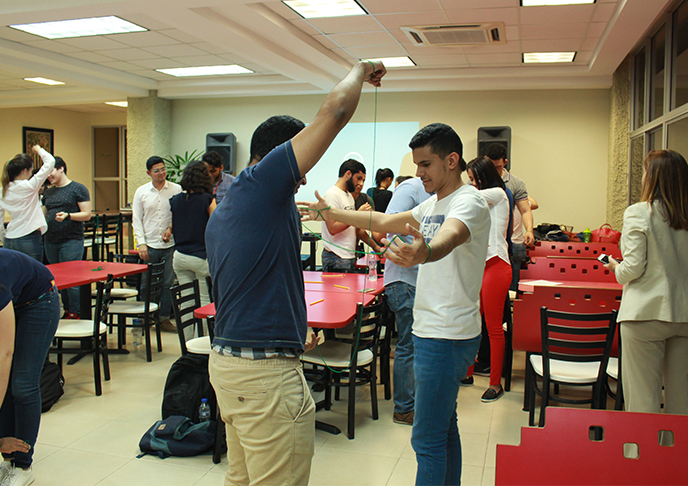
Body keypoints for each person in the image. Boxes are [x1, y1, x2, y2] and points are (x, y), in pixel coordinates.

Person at [205, 60, 386, 486]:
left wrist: (293, 325)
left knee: (242, 479)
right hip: (264, 375)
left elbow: (255, 282)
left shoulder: (232, 205)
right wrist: (360, 70)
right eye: (301, 162)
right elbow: (334, 113)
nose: (303, 177)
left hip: (230, 365)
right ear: (282, 153)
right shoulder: (262, 184)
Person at [300, 122, 491, 486]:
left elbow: (451, 237)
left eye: (426, 164)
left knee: (427, 439)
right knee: (444, 427)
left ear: (452, 161)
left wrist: (426, 251)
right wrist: (332, 214)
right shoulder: (434, 203)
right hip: (436, 330)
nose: (419, 173)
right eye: (417, 165)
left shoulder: (469, 202)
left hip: (447, 334)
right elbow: (384, 219)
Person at [604, 149, 688, 415]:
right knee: (680, 393)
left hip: (646, 313)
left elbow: (632, 269)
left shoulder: (639, 213)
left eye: (644, 172)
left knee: (643, 397)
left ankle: (643, 444)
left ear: (653, 177)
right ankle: (677, 443)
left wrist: (615, 268)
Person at [0, 248, 60, 486]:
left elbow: (5, 355)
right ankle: (8, 461)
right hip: (4, 299)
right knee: (1, 383)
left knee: (22, 384)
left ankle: (23, 466)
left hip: (39, 300)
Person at [463, 157, 513, 402]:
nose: (472, 184)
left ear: (484, 176)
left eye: (474, 179)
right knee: (474, 323)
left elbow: (467, 197)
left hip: (497, 265)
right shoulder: (480, 198)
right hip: (480, 266)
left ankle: (495, 384)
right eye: (470, 180)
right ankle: (467, 373)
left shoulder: (498, 194)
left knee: (493, 327)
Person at [381, 177, 431, 425]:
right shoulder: (411, 188)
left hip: (419, 281)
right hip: (403, 280)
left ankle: (410, 403)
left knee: (414, 345)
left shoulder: (434, 195)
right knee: (408, 346)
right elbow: (388, 225)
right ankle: (403, 409)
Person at [132, 156, 182, 331]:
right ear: (149, 173)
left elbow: (179, 214)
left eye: (163, 169)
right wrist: (141, 243)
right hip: (149, 244)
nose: (161, 173)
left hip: (170, 244)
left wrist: (171, 228)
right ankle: (145, 317)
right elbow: (137, 219)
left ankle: (164, 318)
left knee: (168, 283)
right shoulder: (141, 192)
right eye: (157, 170)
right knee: (147, 283)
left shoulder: (176, 189)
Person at [169, 160, 216, 339]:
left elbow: (174, 225)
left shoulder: (175, 200)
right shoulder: (208, 200)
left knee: (187, 302)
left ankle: (187, 342)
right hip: (201, 257)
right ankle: (202, 342)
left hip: (180, 256)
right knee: (204, 301)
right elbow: (216, 227)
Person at [41, 156, 91, 318]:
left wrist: (68, 215)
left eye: (51, 171)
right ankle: (67, 310)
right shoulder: (48, 192)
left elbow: (86, 214)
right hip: (51, 240)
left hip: (71, 240)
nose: (49, 176)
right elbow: (43, 214)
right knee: (59, 279)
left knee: (72, 279)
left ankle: (76, 312)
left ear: (61, 169)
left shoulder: (78, 188)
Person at [484, 143, 534, 292]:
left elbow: (525, 210)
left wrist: (529, 230)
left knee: (509, 290)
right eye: (491, 166)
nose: (494, 171)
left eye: (498, 167)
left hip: (509, 241)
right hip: (484, 241)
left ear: (505, 162)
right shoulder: (478, 181)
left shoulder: (515, 183)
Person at [0, 145, 55, 262]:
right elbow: (50, 161)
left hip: (10, 238)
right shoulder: (29, 186)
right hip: (30, 237)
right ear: (24, 171)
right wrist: (38, 149)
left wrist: (4, 238)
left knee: (15, 272)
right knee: (32, 271)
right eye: (31, 171)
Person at [320, 159, 367, 271]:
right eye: (359, 178)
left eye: (363, 180)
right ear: (348, 174)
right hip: (336, 257)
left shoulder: (349, 196)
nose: (361, 183)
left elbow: (352, 225)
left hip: (347, 256)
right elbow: (332, 228)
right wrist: (356, 215)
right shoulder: (332, 195)